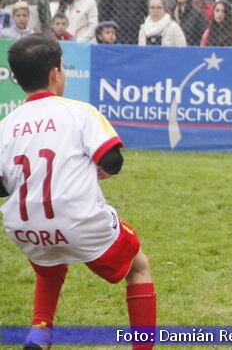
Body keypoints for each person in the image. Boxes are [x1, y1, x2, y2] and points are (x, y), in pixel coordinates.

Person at [0, 36, 156, 350]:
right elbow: (112, 160)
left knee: (50, 263)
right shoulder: (79, 112)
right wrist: (97, 172)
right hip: (79, 222)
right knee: (139, 266)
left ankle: (39, 334)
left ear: (17, 79)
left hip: (25, 229)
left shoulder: (6, 125)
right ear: (55, 73)